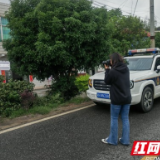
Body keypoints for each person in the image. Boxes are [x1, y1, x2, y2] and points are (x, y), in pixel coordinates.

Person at [101, 53, 131, 146]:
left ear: (113, 60)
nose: (109, 61)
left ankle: (113, 140)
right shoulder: (126, 68)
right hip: (127, 98)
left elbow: (107, 81)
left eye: (110, 60)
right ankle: (125, 140)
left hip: (116, 99)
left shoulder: (112, 71)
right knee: (125, 119)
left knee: (114, 118)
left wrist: (107, 70)